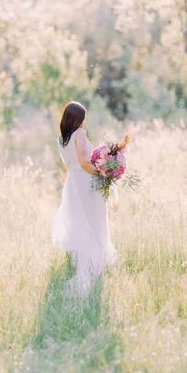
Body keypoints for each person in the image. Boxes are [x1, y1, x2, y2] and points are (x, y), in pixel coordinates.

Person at [52, 101, 116, 295]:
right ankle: (94, 261)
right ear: (78, 118)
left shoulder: (60, 139)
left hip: (72, 182)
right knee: (95, 218)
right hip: (86, 180)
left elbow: (72, 163)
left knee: (80, 220)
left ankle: (87, 258)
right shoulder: (79, 134)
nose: (85, 121)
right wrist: (102, 172)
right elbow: (83, 162)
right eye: (83, 116)